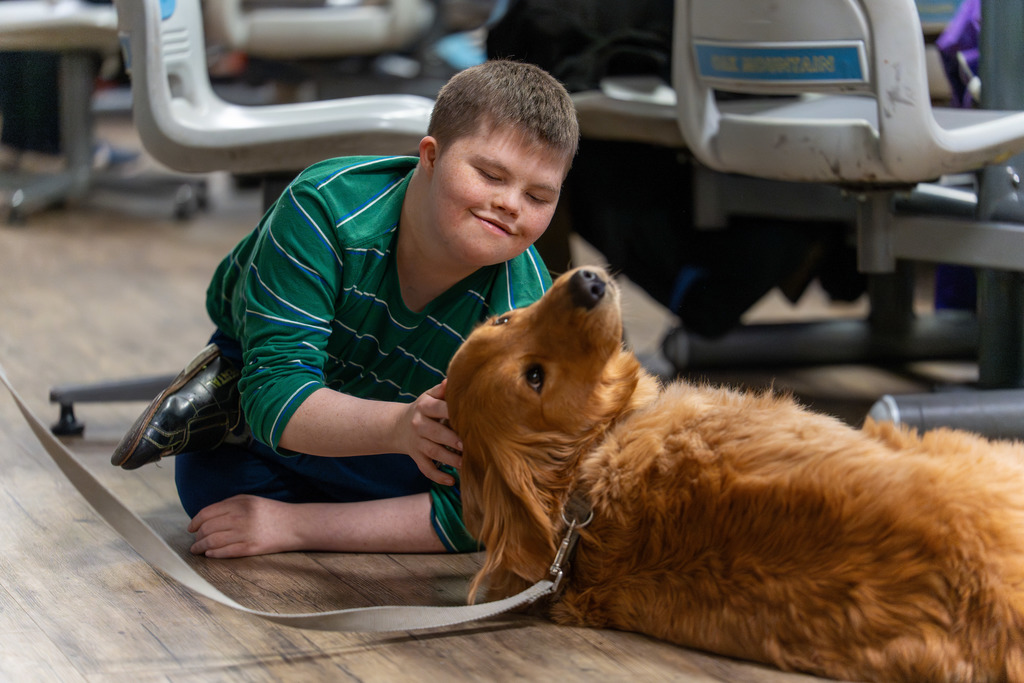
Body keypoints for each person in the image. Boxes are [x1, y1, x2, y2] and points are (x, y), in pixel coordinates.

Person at [111, 59, 579, 558]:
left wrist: (295, 526)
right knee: (211, 494)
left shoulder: (526, 311)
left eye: (538, 196)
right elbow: (279, 390)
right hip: (309, 377)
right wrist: (398, 430)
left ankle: (276, 453)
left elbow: (485, 509)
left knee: (494, 502)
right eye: (489, 175)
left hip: (411, 424)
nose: (511, 204)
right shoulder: (324, 207)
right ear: (430, 156)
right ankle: (241, 399)